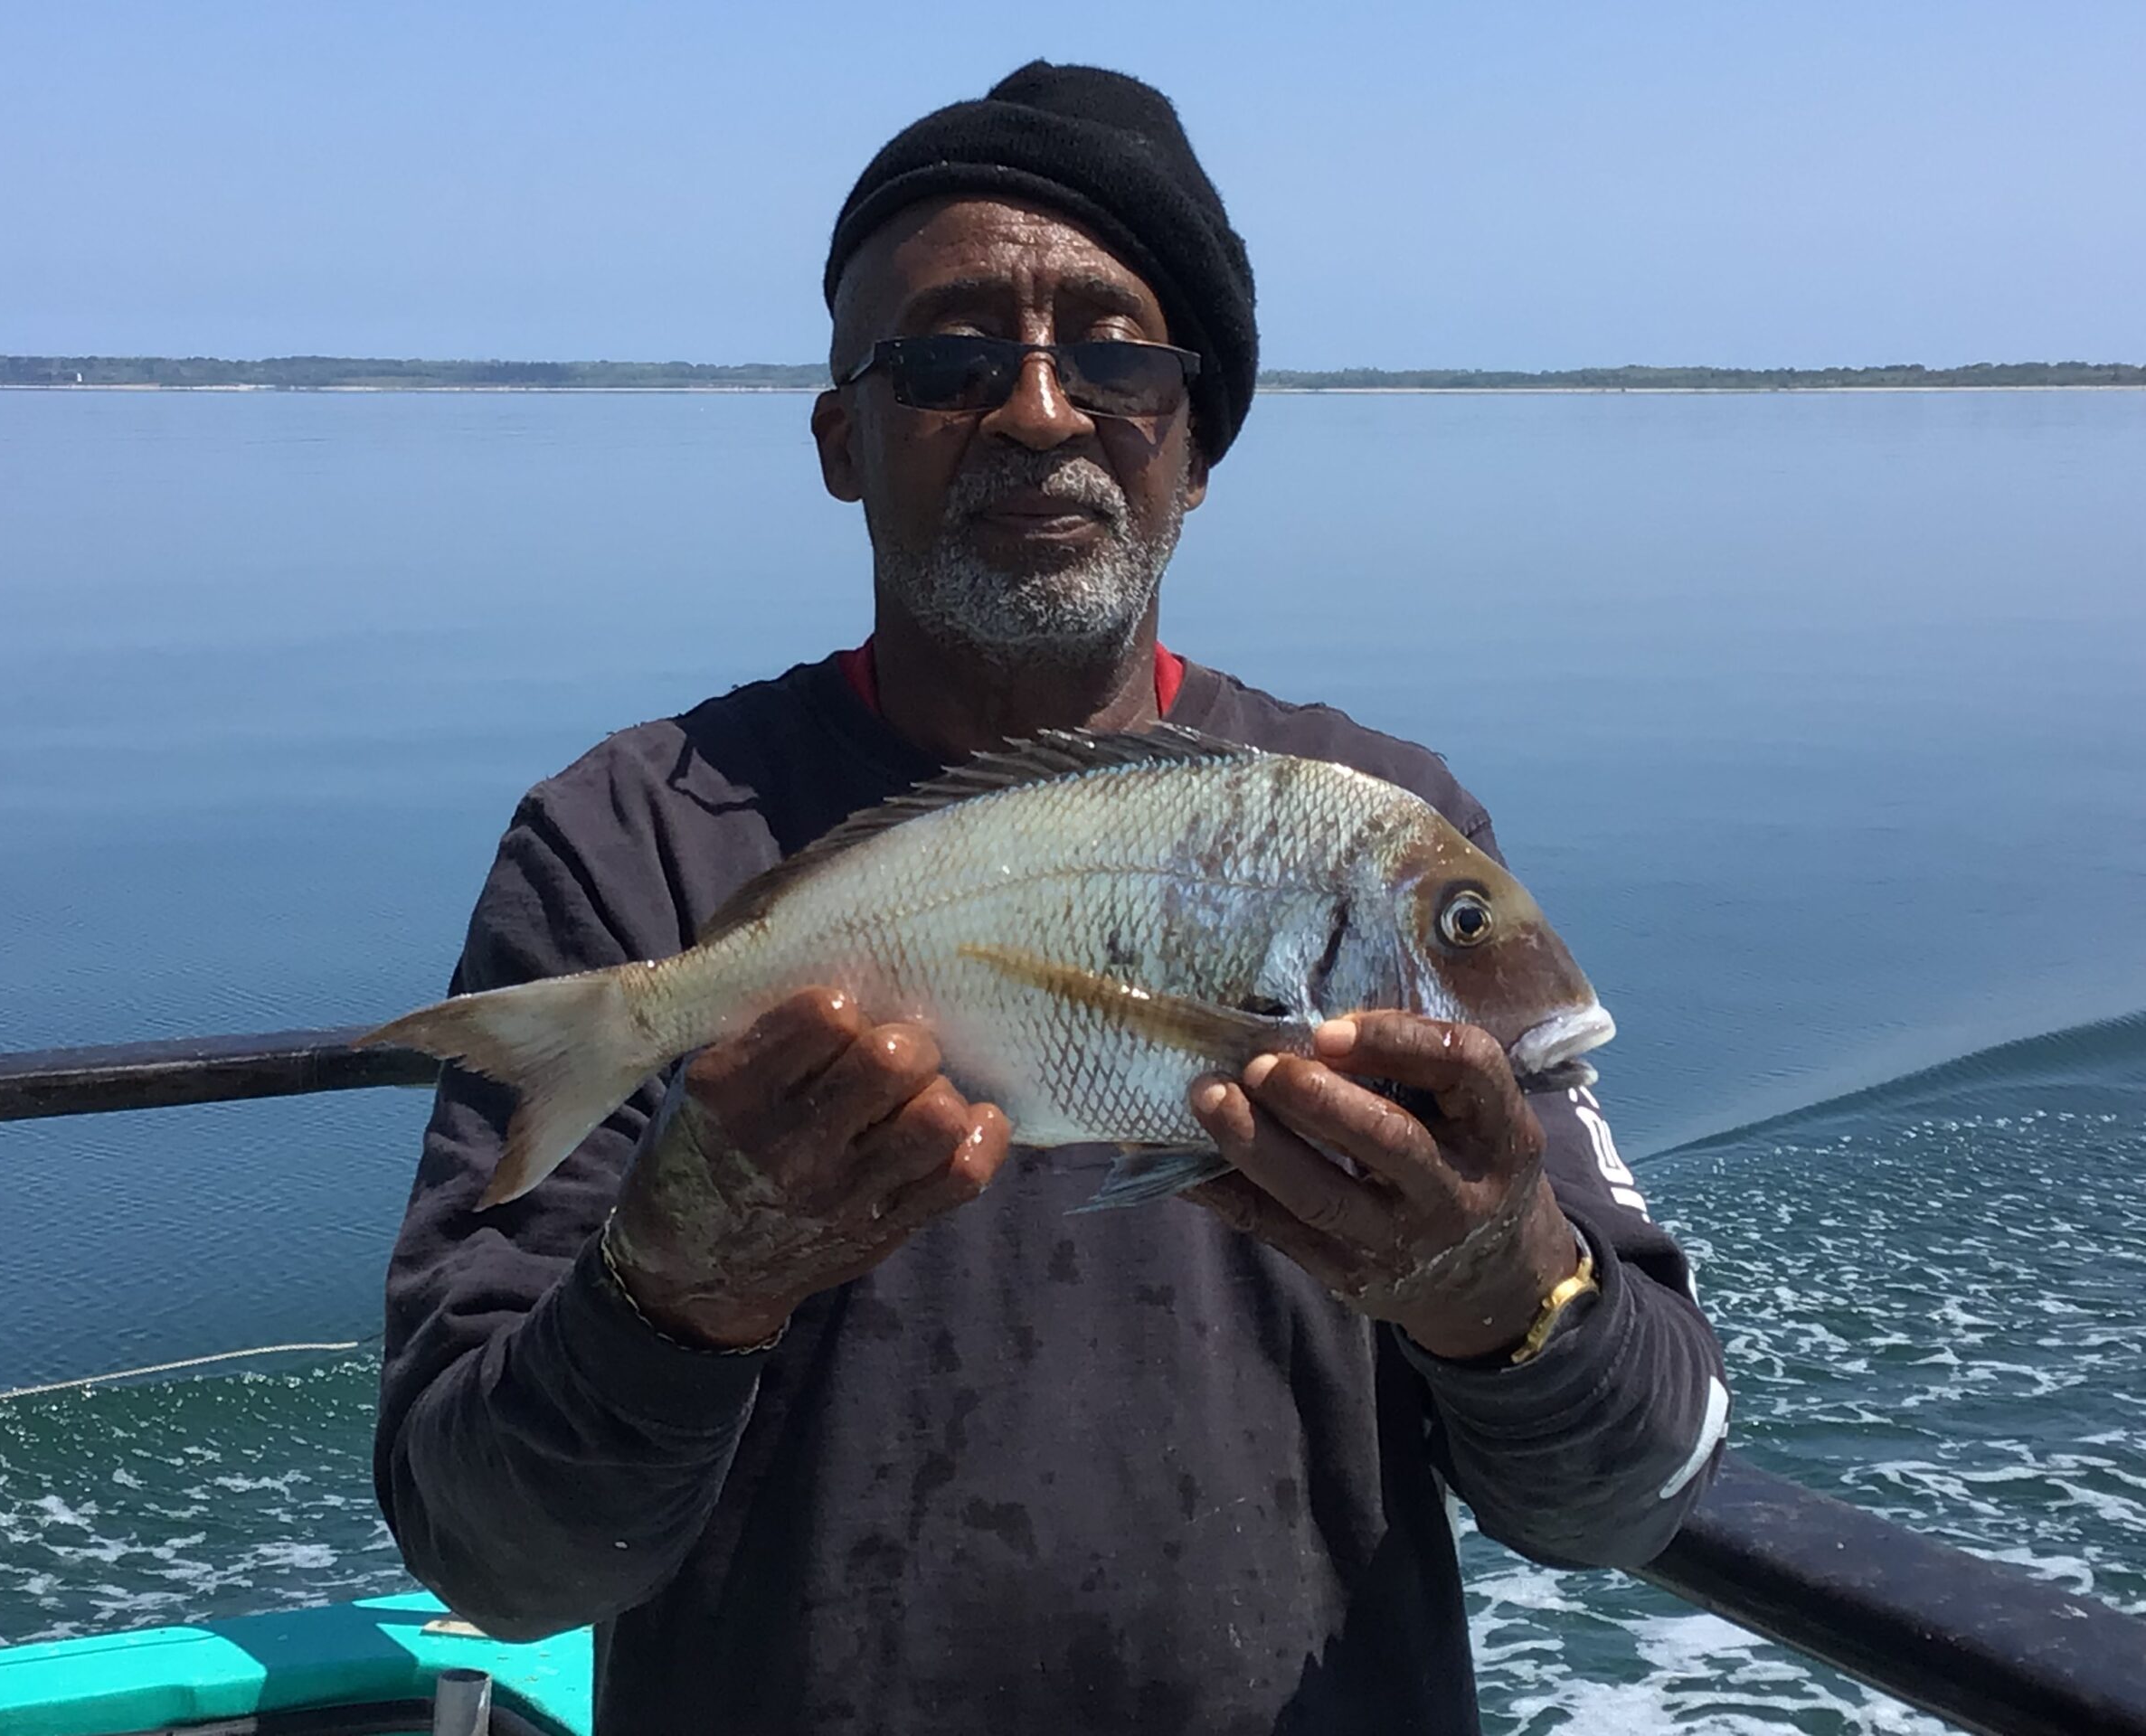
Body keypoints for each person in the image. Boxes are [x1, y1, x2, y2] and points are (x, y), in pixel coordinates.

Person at [376, 61, 1729, 1736]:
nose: (1036, 410)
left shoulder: (1381, 828)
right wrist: (678, 1287)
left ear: (1197, 442)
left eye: (1115, 357)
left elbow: (1637, 1490)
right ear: (839, 442)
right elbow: (489, 1553)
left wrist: (1495, 1276)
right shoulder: (633, 845)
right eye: (947, 359)